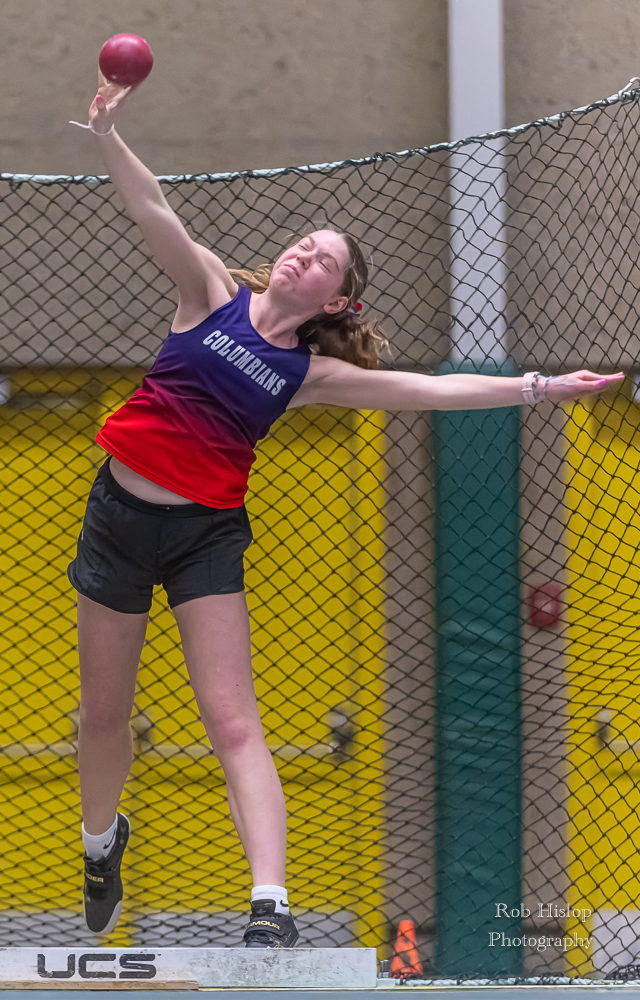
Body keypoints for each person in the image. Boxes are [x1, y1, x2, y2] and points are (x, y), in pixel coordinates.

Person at [67, 72, 623, 949]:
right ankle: (102, 845)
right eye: (302, 243)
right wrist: (106, 132)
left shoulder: (310, 374)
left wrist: (539, 386)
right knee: (103, 716)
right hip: (118, 522)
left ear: (334, 299)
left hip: (203, 535)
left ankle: (270, 906)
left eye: (324, 258)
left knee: (233, 719)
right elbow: (153, 211)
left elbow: (431, 391)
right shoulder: (207, 294)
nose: (304, 253)